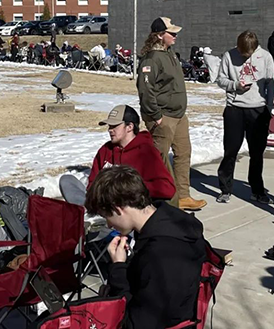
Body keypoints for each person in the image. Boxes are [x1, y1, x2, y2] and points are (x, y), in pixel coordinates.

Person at [86, 165, 206, 329]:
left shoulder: (160, 254)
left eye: (107, 216)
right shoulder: (174, 220)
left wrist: (118, 269)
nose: (108, 224)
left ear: (118, 209)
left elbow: (135, 324)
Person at [137, 17, 206, 211]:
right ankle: (164, 200)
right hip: (163, 117)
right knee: (160, 159)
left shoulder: (170, 54)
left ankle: (183, 196)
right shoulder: (151, 59)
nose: (175, 36)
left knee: (183, 154)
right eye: (171, 33)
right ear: (159, 35)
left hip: (178, 115)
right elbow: (145, 89)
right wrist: (156, 115)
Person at [215, 30, 274, 204]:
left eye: (248, 54)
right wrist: (235, 85)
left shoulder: (265, 57)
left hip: (258, 109)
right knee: (231, 150)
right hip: (235, 108)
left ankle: (257, 190)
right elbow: (220, 79)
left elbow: (270, 84)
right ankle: (225, 189)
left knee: (257, 152)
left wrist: (269, 109)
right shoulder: (229, 55)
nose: (244, 56)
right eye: (242, 53)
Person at [88, 105, 176, 201]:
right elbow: (92, 184)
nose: (110, 130)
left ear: (130, 127)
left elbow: (167, 189)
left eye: (114, 126)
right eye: (109, 126)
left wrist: (129, 187)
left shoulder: (146, 152)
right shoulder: (105, 150)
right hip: (106, 206)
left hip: (136, 208)